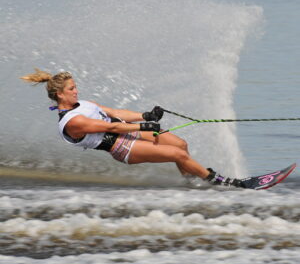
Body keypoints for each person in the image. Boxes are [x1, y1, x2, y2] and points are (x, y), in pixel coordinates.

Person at [21, 69, 244, 188]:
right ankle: (219, 181)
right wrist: (142, 126)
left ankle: (191, 183)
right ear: (60, 94)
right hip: (120, 146)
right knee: (177, 154)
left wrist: (145, 115)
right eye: (72, 89)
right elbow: (113, 127)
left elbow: (115, 113)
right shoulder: (72, 122)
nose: (76, 91)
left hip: (127, 131)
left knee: (181, 146)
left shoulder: (85, 105)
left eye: (76, 86)